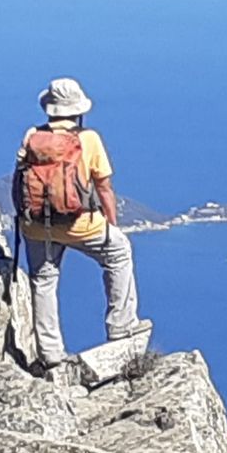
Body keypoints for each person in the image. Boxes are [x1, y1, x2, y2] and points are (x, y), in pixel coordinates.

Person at [14, 77, 150, 371]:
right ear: (78, 110)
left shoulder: (31, 136)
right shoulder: (88, 139)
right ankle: (121, 325)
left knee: (43, 279)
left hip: (36, 226)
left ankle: (50, 353)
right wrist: (112, 225)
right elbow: (104, 188)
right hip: (80, 224)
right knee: (118, 253)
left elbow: (20, 180)